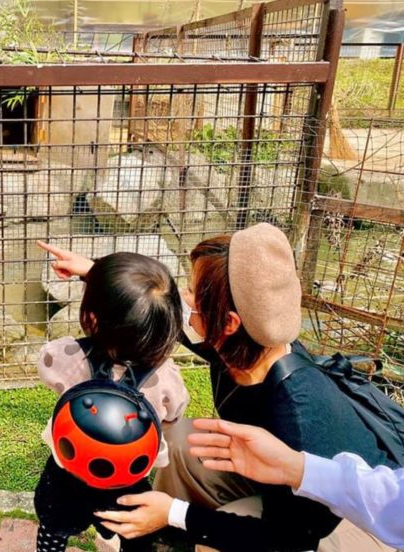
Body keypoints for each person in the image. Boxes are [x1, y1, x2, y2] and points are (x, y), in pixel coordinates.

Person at [39, 223, 395, 552]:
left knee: (217, 546)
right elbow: (158, 317)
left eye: (194, 295)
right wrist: (97, 274)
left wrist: (176, 514)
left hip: (340, 528)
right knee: (179, 441)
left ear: (228, 322)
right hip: (275, 481)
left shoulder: (298, 417)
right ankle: (156, 533)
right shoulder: (250, 342)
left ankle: (168, 522)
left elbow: (287, 537)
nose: (186, 303)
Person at [34, 252, 189, 552]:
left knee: (54, 524)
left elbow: (46, 368)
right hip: (127, 478)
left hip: (67, 470)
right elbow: (173, 415)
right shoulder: (168, 379)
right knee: (131, 529)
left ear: (91, 317)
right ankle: (110, 538)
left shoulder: (63, 355)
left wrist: (93, 277)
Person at [187, 418, 404, 549]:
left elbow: (289, 539)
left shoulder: (297, 410)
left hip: (346, 529)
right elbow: (384, 496)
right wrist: (291, 467)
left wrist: (174, 513)